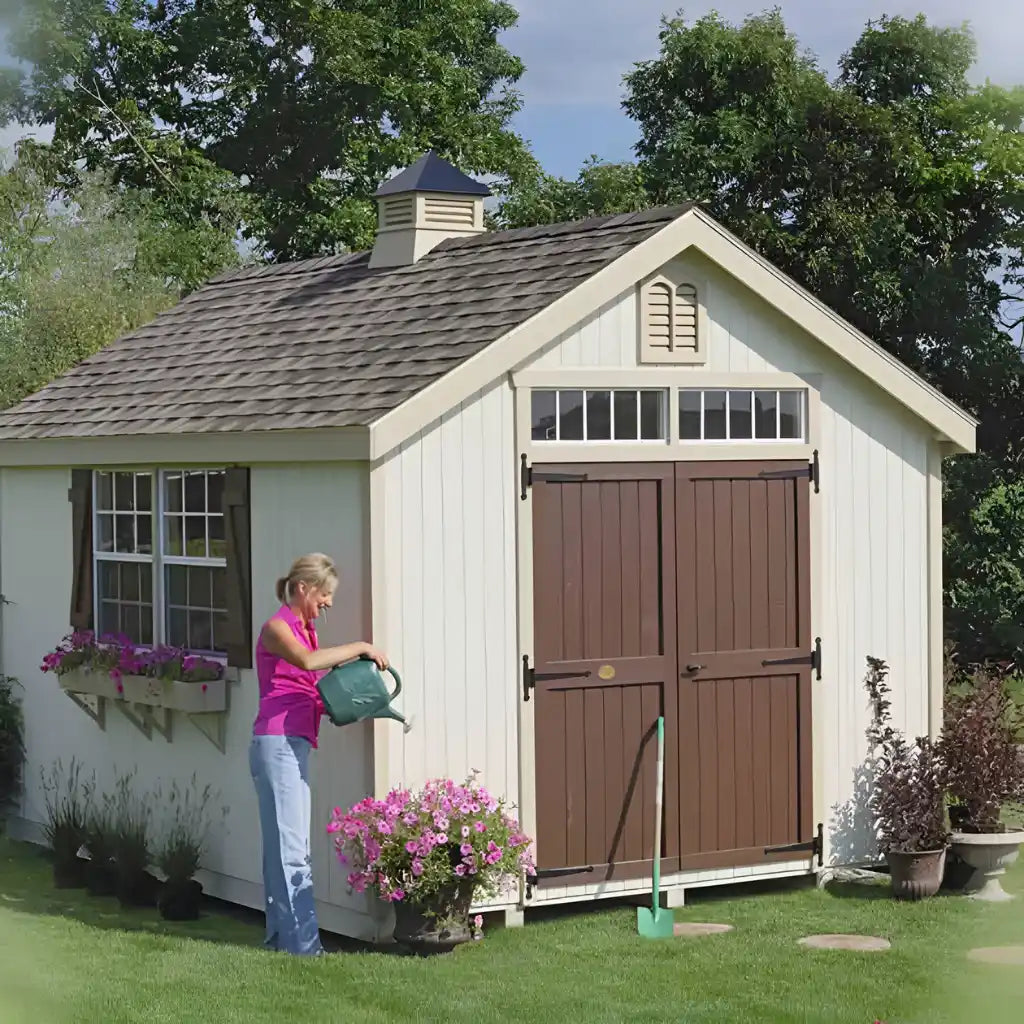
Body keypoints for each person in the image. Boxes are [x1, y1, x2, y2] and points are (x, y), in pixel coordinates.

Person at [249, 552, 388, 956]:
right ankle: (306, 947)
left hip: (290, 744)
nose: (327, 602)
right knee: (292, 850)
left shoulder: (305, 630)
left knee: (283, 848)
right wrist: (361, 646)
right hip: (277, 746)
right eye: (324, 594)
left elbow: (305, 686)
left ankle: (281, 940)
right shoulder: (277, 628)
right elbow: (309, 663)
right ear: (303, 588)